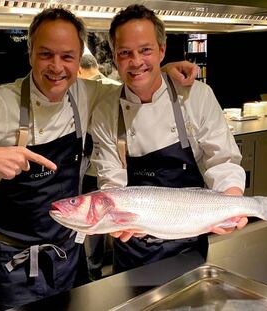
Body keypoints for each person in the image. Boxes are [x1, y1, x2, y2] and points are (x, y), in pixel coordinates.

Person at [0, 7, 198, 310]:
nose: (57, 67)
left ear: (78, 60)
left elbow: (136, 83)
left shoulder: (85, 94)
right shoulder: (1, 106)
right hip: (16, 265)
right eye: (46, 54)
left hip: (70, 257)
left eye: (67, 57)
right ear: (30, 52)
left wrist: (162, 70)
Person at [91, 4, 248, 274]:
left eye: (145, 50)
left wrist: (231, 201)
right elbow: (111, 180)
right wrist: (116, 219)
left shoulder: (196, 96)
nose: (136, 61)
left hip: (189, 237)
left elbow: (222, 159)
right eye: (125, 53)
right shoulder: (105, 109)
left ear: (162, 51)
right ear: (115, 57)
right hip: (133, 247)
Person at [78, 54, 120, 280]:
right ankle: (113, 262)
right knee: (117, 217)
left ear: (79, 70)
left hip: (93, 168)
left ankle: (93, 270)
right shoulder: (117, 87)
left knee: (93, 222)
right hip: (117, 164)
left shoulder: (81, 90)